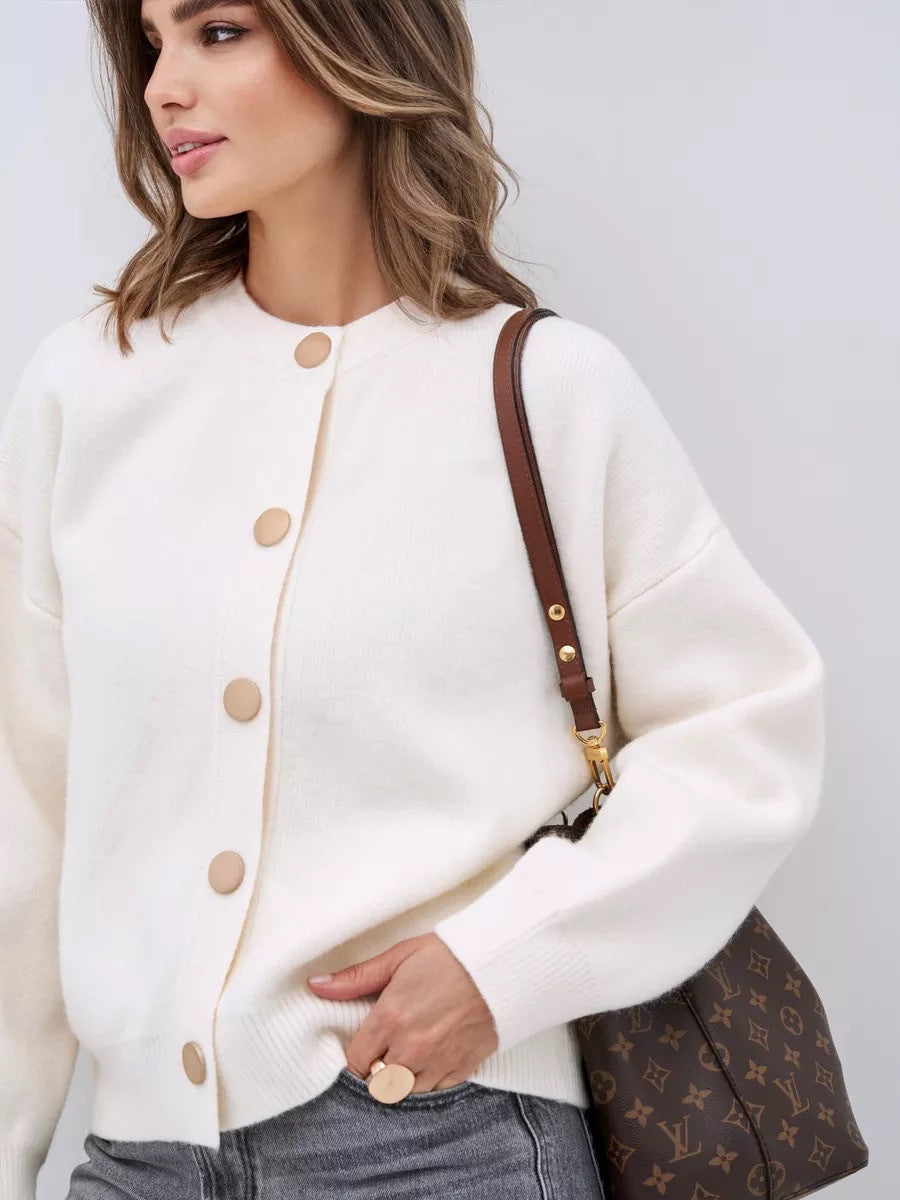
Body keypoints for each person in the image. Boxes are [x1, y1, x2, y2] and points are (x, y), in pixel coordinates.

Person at [0, 1, 826, 1198]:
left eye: (218, 30)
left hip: (447, 1142)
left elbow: (747, 733)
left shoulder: (549, 391)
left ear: (357, 40)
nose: (163, 85)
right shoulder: (90, 389)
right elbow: (25, 809)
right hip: (141, 1158)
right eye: (151, 42)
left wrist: (506, 961)